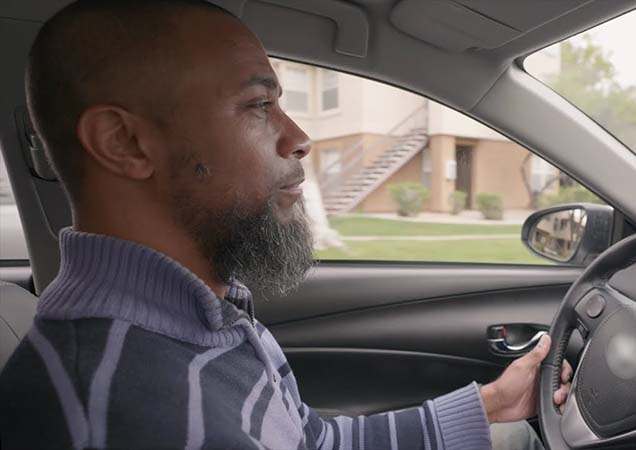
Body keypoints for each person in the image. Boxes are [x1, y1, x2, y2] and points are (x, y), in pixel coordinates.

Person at [0, 1, 572, 449]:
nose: (299, 137)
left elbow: (311, 441)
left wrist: (494, 402)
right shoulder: (130, 416)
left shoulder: (198, 316)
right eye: (257, 105)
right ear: (124, 143)